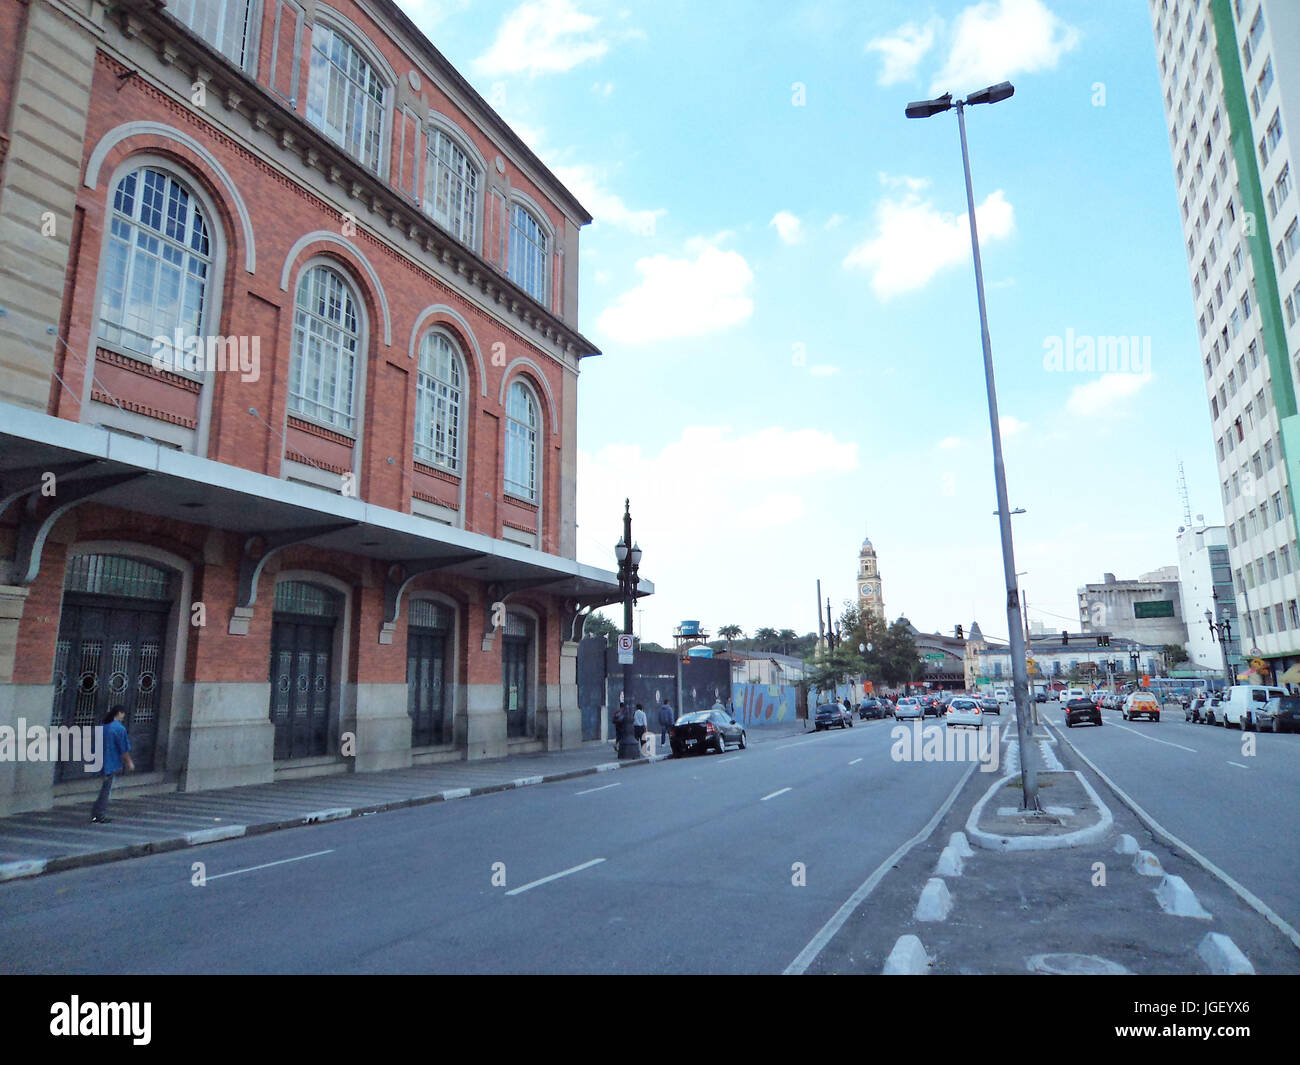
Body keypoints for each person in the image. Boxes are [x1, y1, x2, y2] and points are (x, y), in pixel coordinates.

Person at [91, 704, 134, 824]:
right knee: (106, 790)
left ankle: (96, 814)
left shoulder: (102, 727)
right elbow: (123, 749)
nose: (123, 717)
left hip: (100, 761)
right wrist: (129, 763)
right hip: (110, 763)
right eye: (122, 714)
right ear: (119, 713)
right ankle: (99, 815)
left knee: (104, 789)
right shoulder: (119, 729)